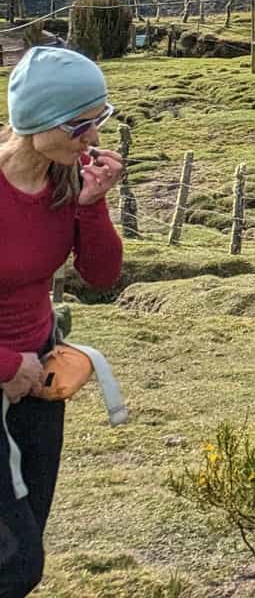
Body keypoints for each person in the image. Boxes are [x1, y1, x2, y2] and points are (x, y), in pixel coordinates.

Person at [1, 47, 124, 598]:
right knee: (16, 562)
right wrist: (5, 365)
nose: (93, 138)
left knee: (30, 537)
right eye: (81, 125)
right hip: (10, 370)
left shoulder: (70, 180)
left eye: (100, 118)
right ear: (35, 124)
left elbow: (101, 276)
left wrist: (94, 203)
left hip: (39, 378)